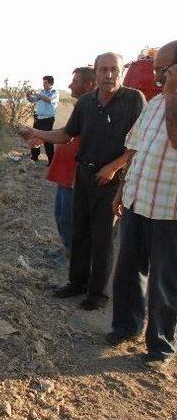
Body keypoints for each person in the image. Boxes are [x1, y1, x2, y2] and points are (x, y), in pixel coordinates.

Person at [19, 53, 145, 310]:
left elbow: (139, 143)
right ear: (96, 72)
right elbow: (66, 134)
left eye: (114, 69)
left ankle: (97, 294)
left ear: (121, 72)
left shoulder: (133, 99)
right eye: (103, 70)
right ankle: (77, 282)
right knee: (79, 231)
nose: (109, 75)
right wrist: (37, 134)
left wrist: (113, 168)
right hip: (84, 174)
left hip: (111, 179)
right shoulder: (86, 102)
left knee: (102, 238)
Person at [107, 40, 177, 368]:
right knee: (128, 270)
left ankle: (160, 346)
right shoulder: (153, 104)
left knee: (165, 281)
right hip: (137, 202)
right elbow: (135, 150)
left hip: (169, 212)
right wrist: (122, 188)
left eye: (163, 71)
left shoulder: (171, 103)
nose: (158, 78)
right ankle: (125, 326)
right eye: (157, 71)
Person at [38, 67, 96, 265]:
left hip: (74, 174)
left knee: (69, 218)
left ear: (88, 85)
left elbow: (65, 135)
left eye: (75, 81)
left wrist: (37, 134)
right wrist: (39, 135)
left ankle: (73, 257)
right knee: (61, 215)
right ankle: (67, 250)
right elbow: (66, 132)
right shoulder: (83, 105)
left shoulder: (93, 108)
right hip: (65, 172)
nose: (70, 85)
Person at [26, 75, 59, 165]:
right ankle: (35, 157)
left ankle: (51, 161)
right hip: (38, 118)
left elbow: (48, 100)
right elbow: (32, 100)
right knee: (34, 137)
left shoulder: (54, 92)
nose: (43, 85)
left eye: (45, 83)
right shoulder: (42, 92)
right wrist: (27, 95)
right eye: (43, 83)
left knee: (47, 140)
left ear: (51, 84)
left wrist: (38, 95)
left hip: (47, 120)